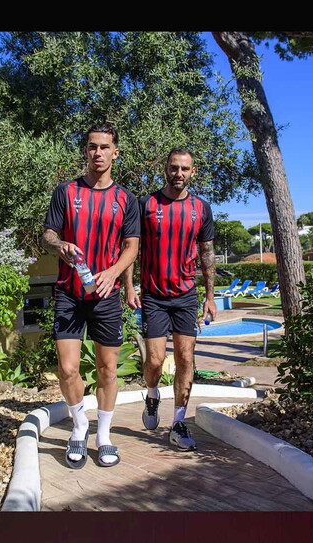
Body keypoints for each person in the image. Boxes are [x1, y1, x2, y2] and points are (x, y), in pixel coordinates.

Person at [42, 122, 140, 468]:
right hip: (69, 293)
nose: (97, 153)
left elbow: (131, 247)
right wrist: (60, 244)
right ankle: (79, 426)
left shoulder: (126, 199)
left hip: (106, 295)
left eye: (104, 147)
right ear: (85, 151)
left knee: (108, 369)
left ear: (115, 152)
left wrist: (114, 273)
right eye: (91, 146)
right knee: (68, 369)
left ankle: (104, 436)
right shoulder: (66, 192)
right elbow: (48, 234)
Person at [123, 147, 216, 451]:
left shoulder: (201, 208)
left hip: (186, 295)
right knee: (155, 360)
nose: (179, 174)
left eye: (185, 169)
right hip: (154, 296)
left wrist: (210, 297)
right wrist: (129, 286)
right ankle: (152, 394)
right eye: (174, 168)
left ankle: (178, 423)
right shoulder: (146, 204)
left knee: (186, 358)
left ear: (193, 172)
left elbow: (207, 254)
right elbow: (131, 248)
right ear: (165, 168)